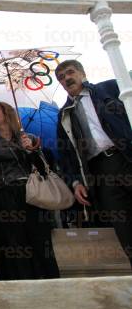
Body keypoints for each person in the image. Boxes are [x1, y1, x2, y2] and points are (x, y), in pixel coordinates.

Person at [55, 59, 132, 264]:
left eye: (70, 72)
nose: (66, 78)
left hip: (125, 157)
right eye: (61, 78)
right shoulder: (64, 115)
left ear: (82, 73)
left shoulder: (110, 88)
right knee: (123, 227)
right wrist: (75, 182)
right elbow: (67, 156)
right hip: (100, 171)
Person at [0, 101, 59, 280]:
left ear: (6, 114)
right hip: (4, 200)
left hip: (31, 197)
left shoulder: (29, 138)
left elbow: (46, 170)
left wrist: (33, 151)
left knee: (38, 241)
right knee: (13, 245)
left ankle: (47, 282)